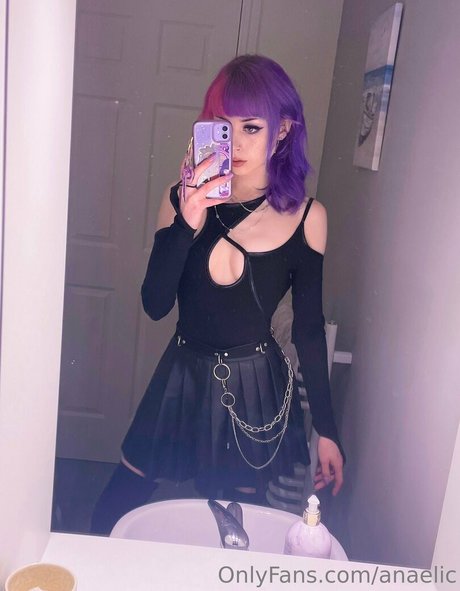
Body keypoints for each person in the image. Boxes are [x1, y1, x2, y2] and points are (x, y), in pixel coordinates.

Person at [91, 54, 345, 535]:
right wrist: (187, 221)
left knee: (230, 526)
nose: (238, 142)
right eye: (223, 126)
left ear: (283, 130)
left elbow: (310, 330)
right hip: (182, 372)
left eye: (252, 126)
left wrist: (329, 431)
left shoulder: (307, 217)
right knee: (113, 508)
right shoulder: (180, 198)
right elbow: (155, 304)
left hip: (253, 389)